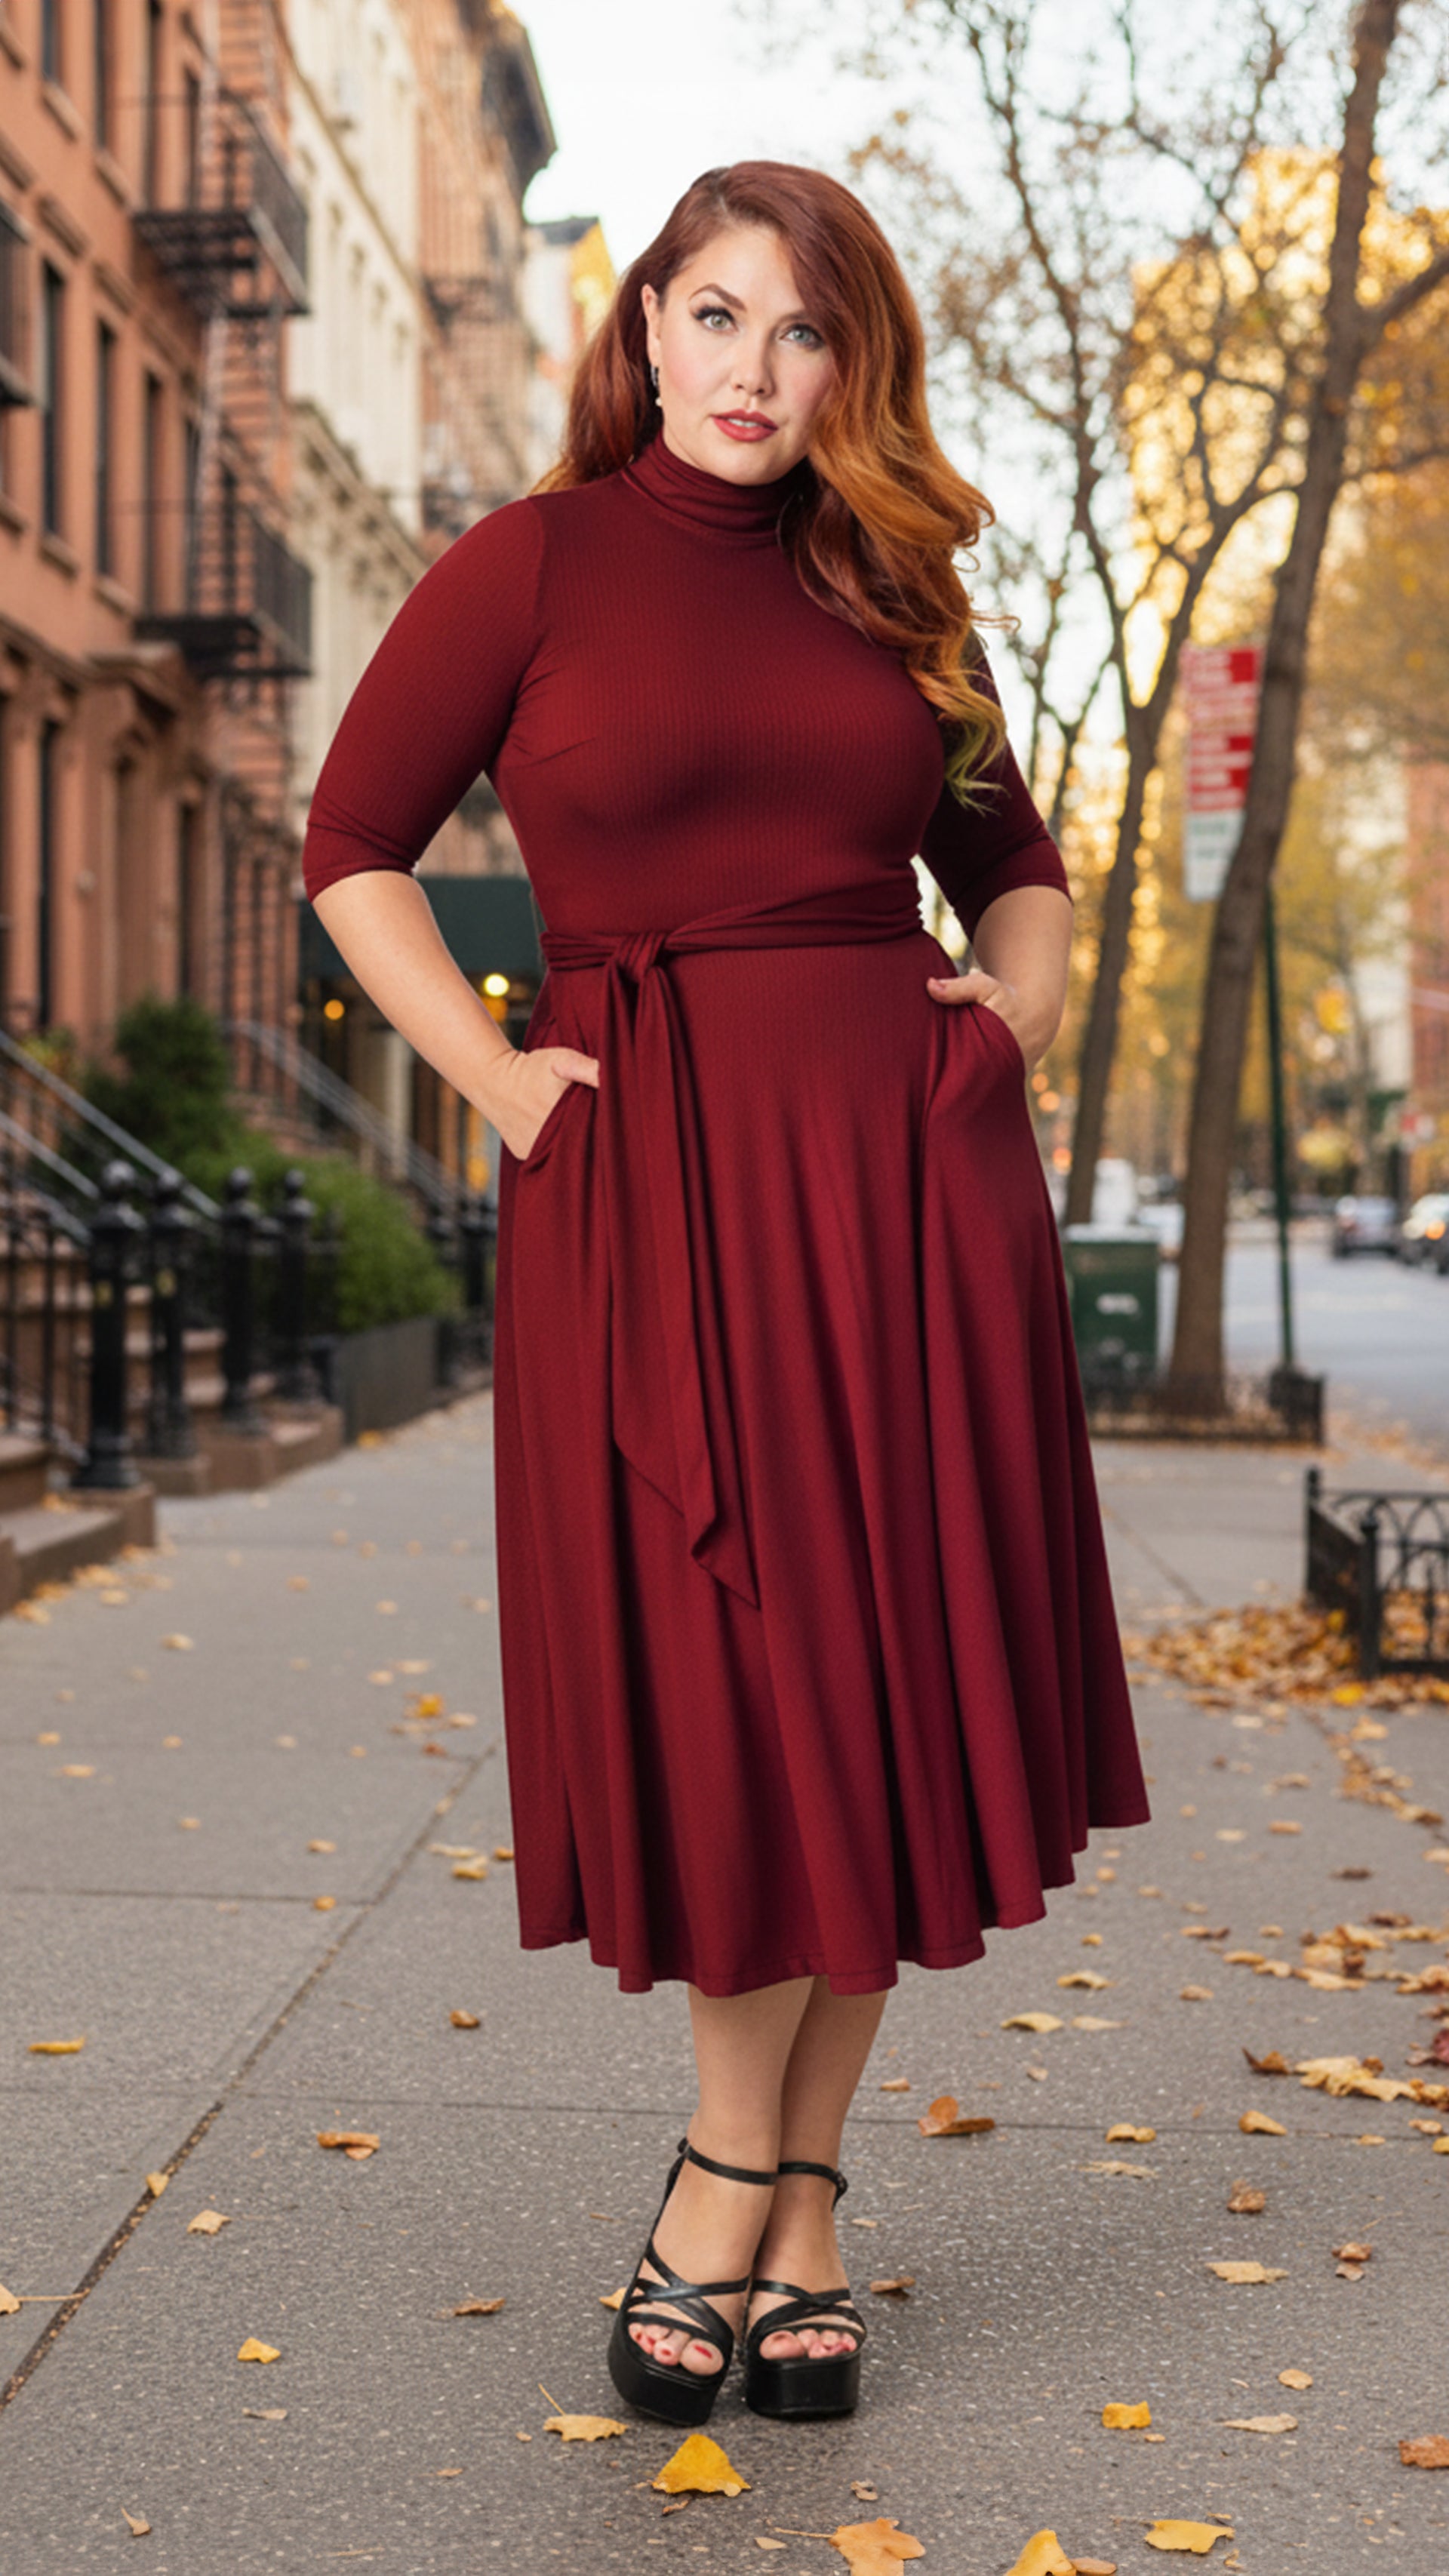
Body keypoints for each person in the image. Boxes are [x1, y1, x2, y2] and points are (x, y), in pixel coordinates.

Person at [302, 160, 1152, 2431]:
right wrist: (497, 1078)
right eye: (717, 315)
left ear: (846, 363)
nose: (757, 368)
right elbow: (349, 844)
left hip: (904, 1192)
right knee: (737, 1666)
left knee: (875, 1679)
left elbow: (1022, 870)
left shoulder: (900, 582)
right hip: (648, 1178)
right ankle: (765, 2187)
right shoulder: (533, 563)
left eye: (805, 331)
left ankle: (758, 2202)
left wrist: (1007, 1028)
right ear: (649, 330)